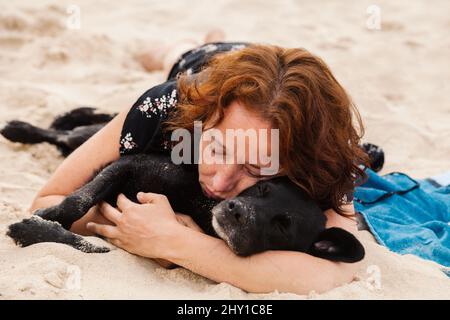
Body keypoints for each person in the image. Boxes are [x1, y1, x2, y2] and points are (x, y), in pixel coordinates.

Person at [29, 40, 371, 295]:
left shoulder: (322, 162)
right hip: (206, 63)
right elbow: (46, 202)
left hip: (265, 76)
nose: (221, 182)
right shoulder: (164, 107)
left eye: (256, 168)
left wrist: (176, 242)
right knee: (180, 55)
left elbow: (334, 272)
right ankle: (175, 49)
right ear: (203, 121)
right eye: (216, 148)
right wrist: (134, 227)